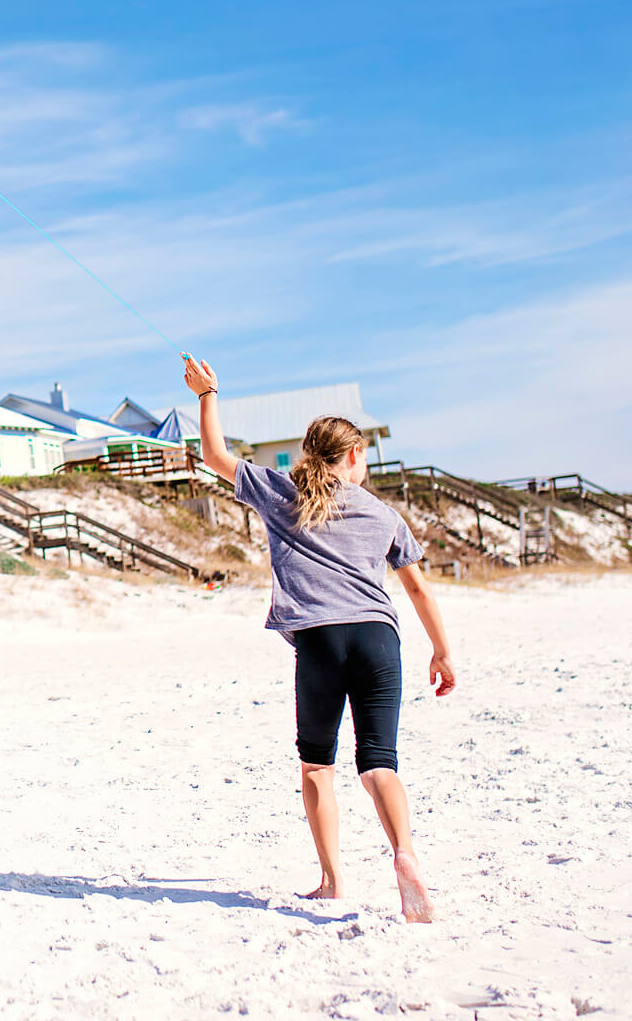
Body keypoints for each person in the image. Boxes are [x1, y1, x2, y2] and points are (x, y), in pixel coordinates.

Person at [182, 354, 457, 922]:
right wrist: (443, 652)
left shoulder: (279, 492)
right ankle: (404, 854)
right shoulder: (384, 514)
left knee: (317, 767)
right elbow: (422, 592)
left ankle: (332, 881)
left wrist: (208, 393)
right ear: (355, 455)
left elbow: (213, 457)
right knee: (380, 762)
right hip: (380, 639)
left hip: (320, 642)